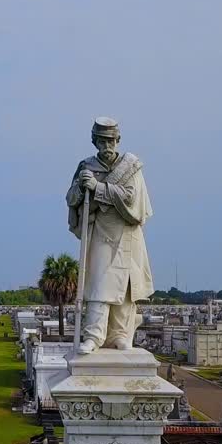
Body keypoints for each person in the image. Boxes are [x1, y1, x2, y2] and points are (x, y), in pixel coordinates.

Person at [66, 117, 154, 354]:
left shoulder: (130, 167)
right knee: (99, 285)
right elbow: (71, 200)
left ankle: (120, 335)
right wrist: (80, 187)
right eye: (102, 142)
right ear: (95, 142)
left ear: (118, 140)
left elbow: (131, 199)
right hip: (101, 233)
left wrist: (98, 188)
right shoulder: (86, 166)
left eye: (111, 141)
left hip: (127, 234)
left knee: (126, 289)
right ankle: (93, 336)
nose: (107, 147)